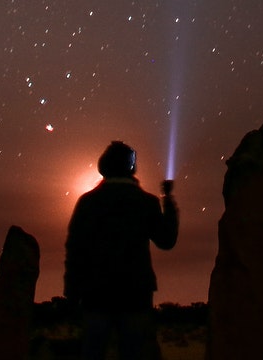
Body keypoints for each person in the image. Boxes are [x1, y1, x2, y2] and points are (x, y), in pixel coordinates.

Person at [64, 140, 179, 360]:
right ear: (132, 167)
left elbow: (75, 250)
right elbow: (166, 240)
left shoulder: (88, 202)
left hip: (95, 294)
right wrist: (169, 201)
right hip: (135, 293)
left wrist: (72, 292)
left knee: (93, 352)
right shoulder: (146, 202)